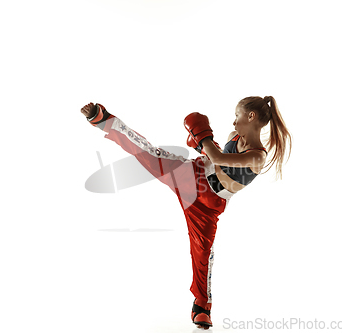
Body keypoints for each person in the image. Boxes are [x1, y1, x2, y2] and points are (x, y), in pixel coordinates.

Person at [80, 96, 291, 329]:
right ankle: (104, 119)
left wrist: (201, 139)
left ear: (251, 117)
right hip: (193, 176)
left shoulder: (258, 156)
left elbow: (219, 157)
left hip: (209, 206)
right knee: (149, 153)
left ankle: (202, 306)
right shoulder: (234, 138)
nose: (233, 123)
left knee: (203, 253)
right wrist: (203, 144)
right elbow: (215, 158)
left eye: (237, 117)